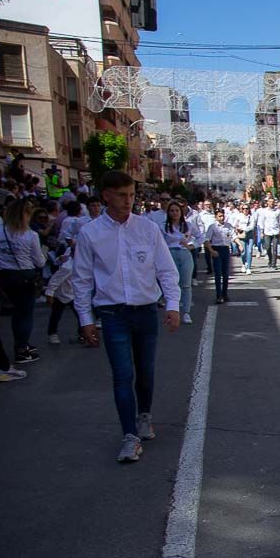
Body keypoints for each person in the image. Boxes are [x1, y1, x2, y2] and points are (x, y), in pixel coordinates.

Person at [71, 171, 181, 463]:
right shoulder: (90, 234)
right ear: (105, 195)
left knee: (145, 372)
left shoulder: (147, 229)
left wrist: (173, 304)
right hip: (113, 313)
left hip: (145, 311)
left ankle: (144, 416)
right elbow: (81, 280)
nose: (128, 201)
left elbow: (166, 270)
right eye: (121, 195)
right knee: (122, 375)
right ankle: (130, 436)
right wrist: (86, 320)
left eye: (132, 195)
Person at [0, 199, 46, 363]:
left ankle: (21, 343)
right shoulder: (29, 235)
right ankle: (22, 349)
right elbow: (39, 262)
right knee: (26, 314)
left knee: (17, 312)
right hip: (24, 275)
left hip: (4, 275)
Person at [161, 201, 196, 324]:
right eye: (172, 211)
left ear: (181, 212)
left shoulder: (188, 225)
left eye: (177, 210)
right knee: (172, 284)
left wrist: (192, 246)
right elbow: (159, 243)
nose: (174, 213)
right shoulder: (163, 226)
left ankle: (186, 312)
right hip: (170, 255)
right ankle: (172, 311)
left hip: (185, 254)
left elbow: (201, 237)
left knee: (186, 284)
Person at [44, 244, 77, 343]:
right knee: (56, 315)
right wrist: (50, 294)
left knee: (81, 314)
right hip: (62, 294)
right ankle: (52, 333)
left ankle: (83, 333)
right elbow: (55, 280)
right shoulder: (68, 267)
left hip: (74, 293)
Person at [205, 208, 236, 304]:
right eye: (219, 216)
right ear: (216, 217)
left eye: (223, 216)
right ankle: (218, 295)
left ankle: (225, 294)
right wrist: (211, 251)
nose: (222, 218)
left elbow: (233, 236)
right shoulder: (212, 227)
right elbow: (207, 241)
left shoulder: (228, 226)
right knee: (218, 274)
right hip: (216, 250)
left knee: (226, 274)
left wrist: (239, 244)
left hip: (225, 249)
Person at [259, 200, 280, 269]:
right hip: (267, 232)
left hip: (275, 232)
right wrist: (261, 231)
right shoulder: (264, 211)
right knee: (268, 247)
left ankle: (274, 264)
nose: (271, 203)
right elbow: (261, 221)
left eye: (273, 202)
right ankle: (270, 259)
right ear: (267, 203)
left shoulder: (277, 211)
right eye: (270, 202)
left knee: (275, 249)